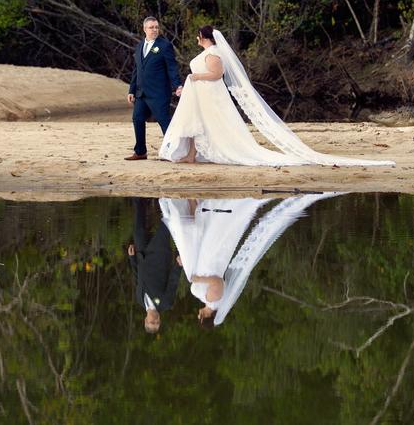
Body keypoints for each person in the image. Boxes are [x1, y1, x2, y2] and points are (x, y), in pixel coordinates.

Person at [157, 26, 394, 166]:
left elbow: (216, 74)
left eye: (199, 36)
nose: (197, 39)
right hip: (202, 96)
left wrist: (195, 78)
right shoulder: (209, 51)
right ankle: (191, 153)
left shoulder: (213, 53)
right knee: (199, 124)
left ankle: (193, 154)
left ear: (204, 37)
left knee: (208, 125)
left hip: (209, 94)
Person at [160, 193, 337, 328]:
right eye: (199, 318)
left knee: (196, 233)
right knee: (208, 231)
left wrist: (188, 266)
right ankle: (198, 200)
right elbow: (216, 281)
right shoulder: (214, 300)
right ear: (204, 317)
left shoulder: (207, 300)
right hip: (211, 260)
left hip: (202, 261)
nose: (197, 315)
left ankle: (192, 199)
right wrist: (198, 279)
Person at [125, 16, 182, 161]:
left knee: (164, 121)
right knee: (137, 118)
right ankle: (140, 151)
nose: (155, 30)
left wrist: (177, 85)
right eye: (151, 27)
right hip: (141, 92)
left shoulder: (164, 46)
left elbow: (172, 67)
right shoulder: (139, 46)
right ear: (144, 29)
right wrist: (131, 90)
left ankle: (172, 151)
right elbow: (136, 70)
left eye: (156, 27)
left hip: (159, 92)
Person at [126, 197, 182, 333]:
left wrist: (132, 258)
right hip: (159, 254)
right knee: (166, 223)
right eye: (157, 323)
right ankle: (171, 197)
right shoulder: (166, 303)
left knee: (138, 227)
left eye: (152, 322)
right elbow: (172, 282)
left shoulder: (139, 299)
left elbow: (137, 276)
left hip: (141, 254)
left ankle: (139, 198)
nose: (155, 320)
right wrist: (178, 265)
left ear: (145, 320)